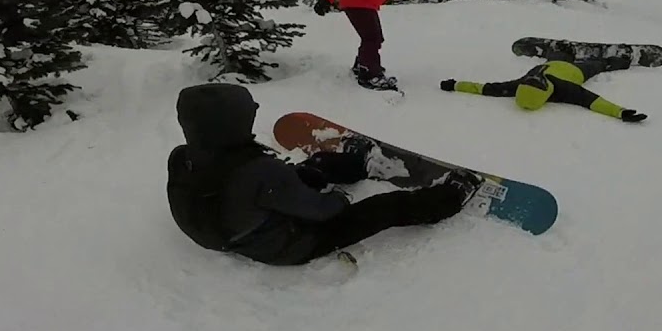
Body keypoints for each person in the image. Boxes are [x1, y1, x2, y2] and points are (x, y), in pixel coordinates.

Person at [166, 83, 476, 266]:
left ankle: (356, 164)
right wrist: (340, 199)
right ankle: (452, 196)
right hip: (289, 246)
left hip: (232, 225)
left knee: (308, 172)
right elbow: (321, 211)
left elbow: (257, 185)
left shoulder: (181, 157)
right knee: (385, 208)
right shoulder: (261, 171)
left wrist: (296, 180)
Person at [439, 56, 649, 122]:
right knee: (597, 65)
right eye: (538, 81)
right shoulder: (565, 89)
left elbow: (483, 88)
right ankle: (621, 60)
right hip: (575, 70)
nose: (535, 77)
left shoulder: (518, 84)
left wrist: (455, 84)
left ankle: (561, 51)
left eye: (532, 79)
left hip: (552, 61)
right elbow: (594, 101)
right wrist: (621, 112)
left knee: (560, 54)